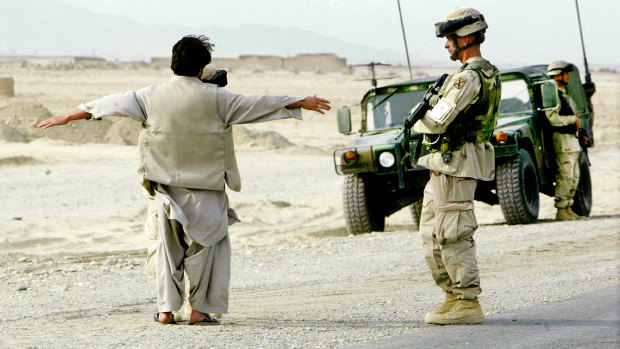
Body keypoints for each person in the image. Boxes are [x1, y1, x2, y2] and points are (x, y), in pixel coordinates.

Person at [37, 35, 331, 325]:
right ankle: (199, 312)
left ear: (173, 64)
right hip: (208, 191)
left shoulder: (149, 96)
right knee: (208, 249)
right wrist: (299, 102)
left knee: (167, 249)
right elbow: (260, 104)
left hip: (165, 190)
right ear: (202, 69)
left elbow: (105, 105)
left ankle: (166, 311)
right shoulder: (220, 99)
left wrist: (66, 116)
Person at [412, 8, 501, 325]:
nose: (446, 45)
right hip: (445, 164)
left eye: (450, 39)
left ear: (465, 38)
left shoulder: (468, 77)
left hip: (457, 163)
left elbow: (437, 123)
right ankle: (452, 295)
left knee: (453, 233)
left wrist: (418, 116)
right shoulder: (478, 73)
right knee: (431, 234)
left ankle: (467, 302)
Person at [546, 60, 584, 221]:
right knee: (566, 174)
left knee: (574, 175)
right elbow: (552, 118)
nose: (568, 76)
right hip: (561, 139)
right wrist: (572, 120)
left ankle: (568, 207)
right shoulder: (552, 92)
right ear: (557, 75)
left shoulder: (563, 92)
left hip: (571, 139)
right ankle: (561, 210)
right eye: (565, 73)